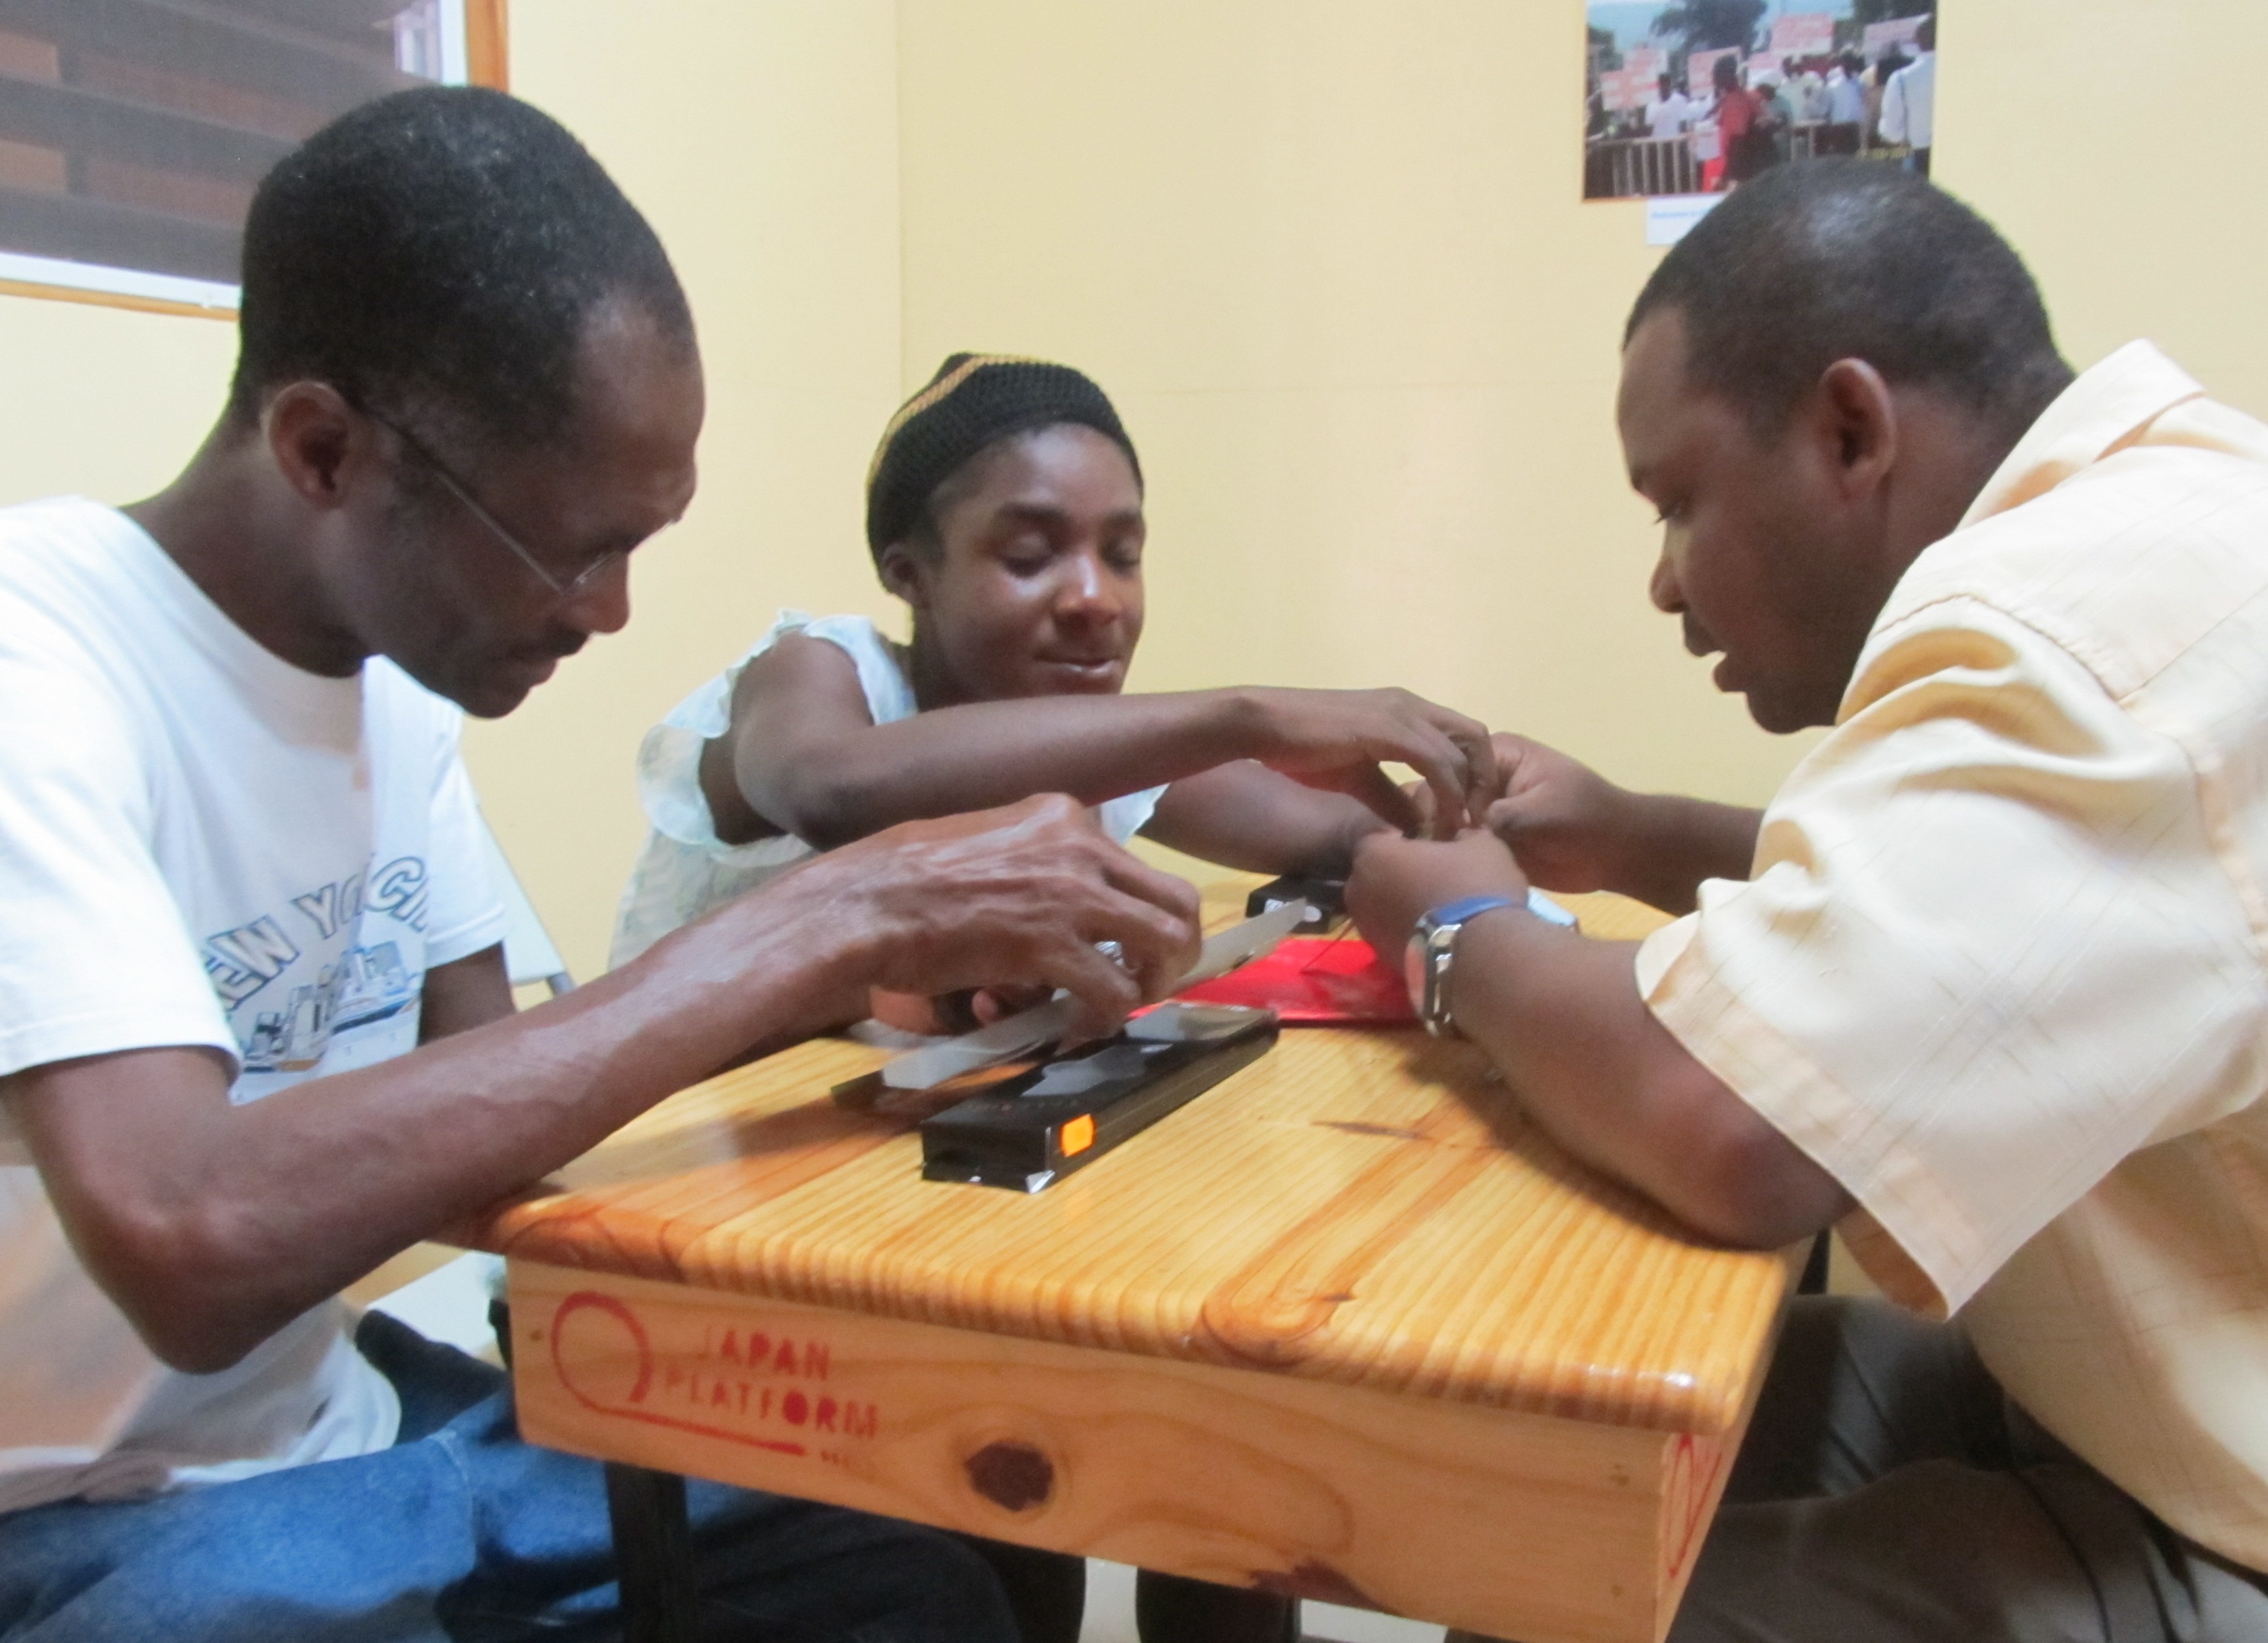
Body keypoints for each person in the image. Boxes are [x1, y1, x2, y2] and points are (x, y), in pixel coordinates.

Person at [0, 87, 1219, 1642]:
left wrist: (870, 972)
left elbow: (495, 1104)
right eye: (571, 549)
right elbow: (193, 1236)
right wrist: (830, 913)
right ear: (322, 449)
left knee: (926, 1552)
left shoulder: (387, 692)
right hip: (72, 1528)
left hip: (354, 1443)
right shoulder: (39, 658)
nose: (612, 611)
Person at [1349, 161, 2268, 1640]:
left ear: (1850, 428)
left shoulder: (2080, 624)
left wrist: (1452, 930)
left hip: (2219, 1520)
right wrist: (1626, 831)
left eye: (1676, 503)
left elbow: (1742, 1128)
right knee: (1571, 1469)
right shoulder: (2159, 534)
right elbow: (1968, 909)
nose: (1662, 584)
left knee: (1547, 1604)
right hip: (2134, 1406)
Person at [610, 351, 1498, 993]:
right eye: (1032, 554)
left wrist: (1457, 808)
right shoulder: (817, 671)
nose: (1094, 597)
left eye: (1122, 554)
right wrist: (1250, 715)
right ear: (907, 572)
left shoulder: (1091, 746)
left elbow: (1339, 836)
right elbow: (830, 788)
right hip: (672, 1164)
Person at [1878, 14, 1937, 176]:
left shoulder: (1901, 79)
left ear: (1916, 39)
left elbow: (1892, 132)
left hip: (1922, 158)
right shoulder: (1966, 73)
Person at [1819, 52, 1866, 154]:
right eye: (1847, 62)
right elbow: (1826, 109)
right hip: (1839, 129)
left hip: (1856, 127)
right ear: (1842, 64)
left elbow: (1864, 103)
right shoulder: (1833, 86)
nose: (1850, 65)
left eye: (1852, 62)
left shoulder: (1860, 83)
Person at [1644, 73, 1692, 141]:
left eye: (1666, 83)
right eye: (1662, 84)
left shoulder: (1680, 100)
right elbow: (1649, 129)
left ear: (1670, 84)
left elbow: (1683, 126)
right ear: (1659, 85)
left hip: (1676, 144)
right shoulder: (1652, 105)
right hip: (1659, 146)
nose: (1664, 86)